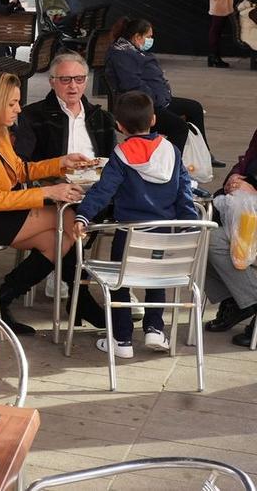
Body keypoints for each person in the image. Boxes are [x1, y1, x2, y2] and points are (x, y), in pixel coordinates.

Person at [0, 71, 102, 334]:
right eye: (11, 104)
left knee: (60, 239)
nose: (19, 109)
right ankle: (79, 299)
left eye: (17, 102)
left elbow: (18, 170)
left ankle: (0, 302)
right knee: (68, 219)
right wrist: (50, 192)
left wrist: (60, 162)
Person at [73, 91, 195, 356]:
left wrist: (83, 215)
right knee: (157, 279)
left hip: (128, 234)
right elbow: (184, 191)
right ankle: (154, 329)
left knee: (120, 283)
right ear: (153, 119)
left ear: (119, 126)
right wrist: (190, 225)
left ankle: (122, 340)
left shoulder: (120, 154)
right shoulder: (171, 151)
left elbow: (103, 190)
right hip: (164, 234)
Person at [105, 16, 215, 156]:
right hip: (140, 107)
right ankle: (171, 164)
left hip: (157, 100)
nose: (151, 40)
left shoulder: (134, 50)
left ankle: (204, 154)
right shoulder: (122, 54)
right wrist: (156, 97)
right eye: (149, 36)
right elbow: (132, 84)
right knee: (179, 127)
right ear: (137, 37)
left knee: (195, 108)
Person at [203, 127, 257, 344]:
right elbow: (246, 162)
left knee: (212, 240)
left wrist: (253, 189)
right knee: (199, 236)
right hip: (247, 216)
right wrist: (234, 177)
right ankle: (237, 300)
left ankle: (247, 298)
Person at [15, 52, 117, 162]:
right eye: (65, 79)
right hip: (50, 178)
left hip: (98, 178)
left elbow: (115, 164)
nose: (73, 86)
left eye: (79, 79)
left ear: (86, 82)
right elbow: (22, 163)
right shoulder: (32, 116)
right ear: (52, 83)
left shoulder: (103, 119)